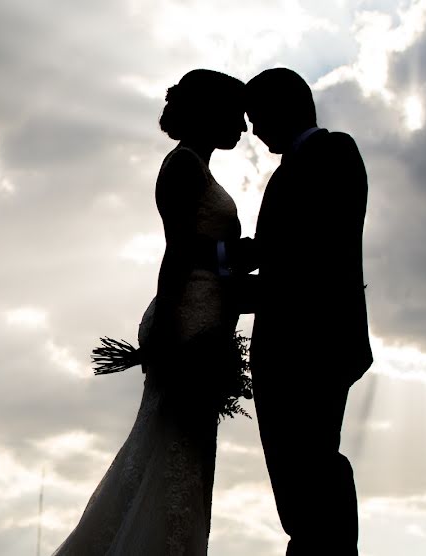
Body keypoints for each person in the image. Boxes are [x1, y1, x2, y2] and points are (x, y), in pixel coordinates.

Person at [52, 69, 247, 556]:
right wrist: (169, 333)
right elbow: (179, 252)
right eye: (235, 113)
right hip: (187, 321)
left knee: (185, 452)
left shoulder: (196, 167)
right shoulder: (183, 166)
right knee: (178, 454)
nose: (243, 127)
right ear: (209, 113)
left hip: (200, 318)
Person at [222, 68, 373, 555]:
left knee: (311, 474)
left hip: (310, 348)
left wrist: (224, 291)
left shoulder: (333, 154)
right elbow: (278, 251)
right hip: (295, 348)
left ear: (282, 108)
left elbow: (308, 262)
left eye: (256, 117)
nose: (253, 131)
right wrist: (219, 264)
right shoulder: (299, 167)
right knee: (302, 481)